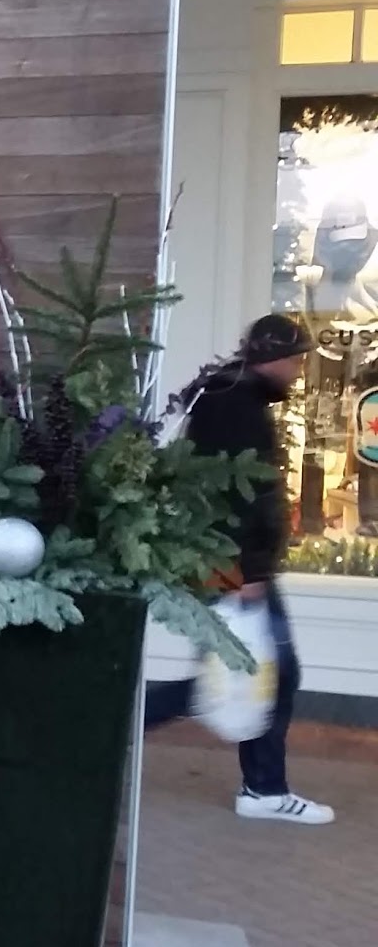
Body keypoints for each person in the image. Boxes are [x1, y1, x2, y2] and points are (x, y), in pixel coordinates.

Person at [145, 314, 335, 824]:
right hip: (235, 566)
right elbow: (236, 495)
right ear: (273, 358)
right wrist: (249, 571)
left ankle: (262, 787)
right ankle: (264, 789)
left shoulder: (233, 397)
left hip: (228, 561)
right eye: (296, 360)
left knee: (243, 668)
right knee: (264, 671)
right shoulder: (237, 406)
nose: (298, 371)